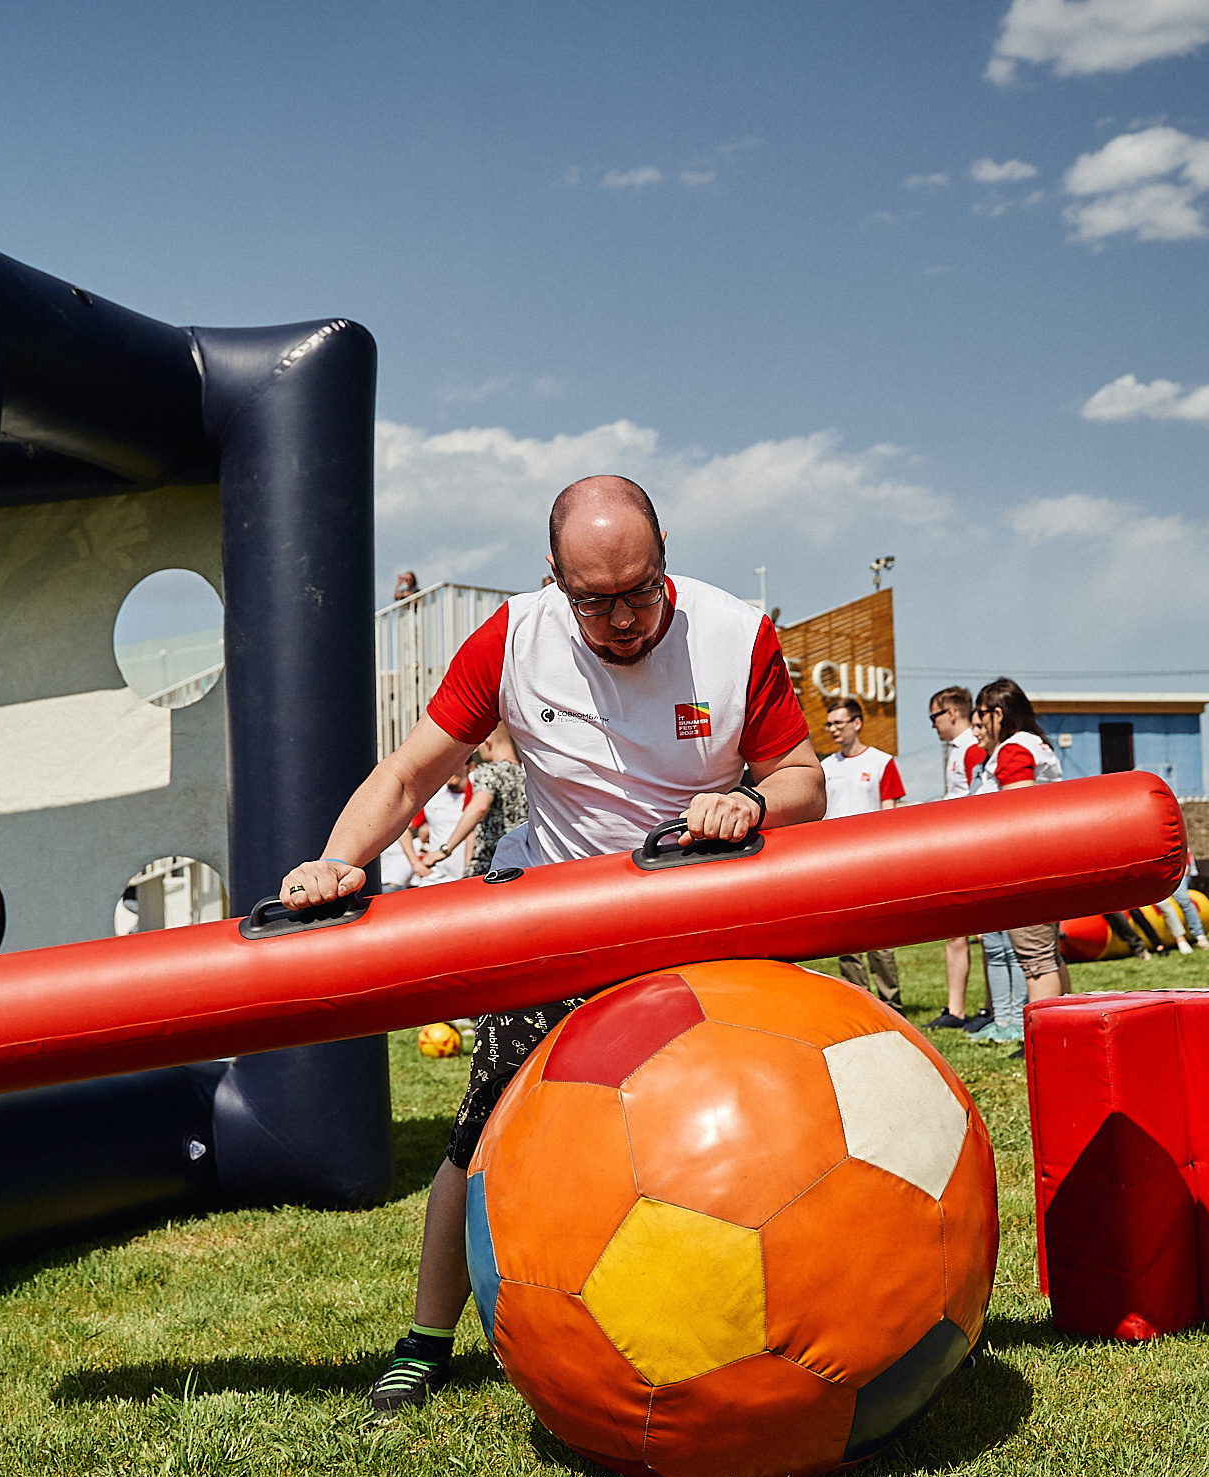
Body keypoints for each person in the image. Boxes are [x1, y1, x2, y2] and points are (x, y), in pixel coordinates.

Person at [279, 475, 824, 1410]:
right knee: (484, 1123)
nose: (621, 620)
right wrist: (337, 860)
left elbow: (805, 782)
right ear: (553, 577)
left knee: (762, 1117)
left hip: (703, 917)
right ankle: (424, 1339)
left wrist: (751, 800)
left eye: (641, 591)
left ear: (666, 556)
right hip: (563, 924)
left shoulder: (738, 635)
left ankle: (794, 1312)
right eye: (594, 600)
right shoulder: (514, 637)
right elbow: (412, 771)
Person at [969, 678, 1069, 1053]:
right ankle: (1063, 1030)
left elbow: (1017, 810)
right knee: (1048, 954)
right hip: (1043, 859)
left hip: (1026, 863)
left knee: (1036, 959)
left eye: (982, 715)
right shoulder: (1032, 744)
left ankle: (1043, 1041)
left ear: (998, 713)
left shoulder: (1013, 750)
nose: (977, 724)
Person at [818, 694, 906, 1003]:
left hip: (873, 860)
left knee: (880, 937)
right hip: (836, 861)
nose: (833, 729)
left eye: (838, 723)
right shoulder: (826, 767)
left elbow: (890, 813)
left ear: (857, 723)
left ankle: (890, 1002)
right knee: (847, 937)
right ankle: (859, 1000)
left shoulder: (882, 762)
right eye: (829, 724)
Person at [925, 686, 985, 1030]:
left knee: (981, 933)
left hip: (970, 848)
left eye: (934, 716)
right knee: (955, 932)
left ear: (951, 713)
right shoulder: (957, 750)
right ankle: (955, 1008)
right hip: (957, 846)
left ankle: (986, 1009)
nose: (933, 725)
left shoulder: (973, 750)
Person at [429, 725, 527, 877]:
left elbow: (478, 808)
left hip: (490, 865)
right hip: (520, 863)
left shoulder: (488, 771)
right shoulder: (525, 774)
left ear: (488, 742)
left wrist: (445, 849)